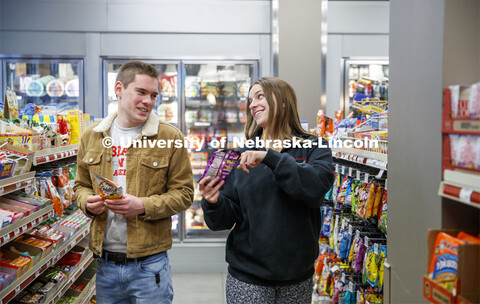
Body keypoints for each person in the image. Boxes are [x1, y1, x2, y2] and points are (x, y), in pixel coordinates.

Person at [199, 77, 334, 304]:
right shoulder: (241, 156)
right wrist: (213, 202)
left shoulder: (314, 147)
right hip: (247, 277)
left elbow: (315, 187)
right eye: (250, 100)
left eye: (260, 96)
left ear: (282, 101)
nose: (252, 105)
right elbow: (225, 219)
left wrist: (270, 157)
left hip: (297, 277)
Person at [74, 61, 194, 304]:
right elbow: (80, 185)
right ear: (119, 89)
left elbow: (184, 193)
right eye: (141, 92)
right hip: (105, 263)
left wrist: (143, 205)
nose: (148, 101)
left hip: (149, 266)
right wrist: (87, 202)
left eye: (153, 95)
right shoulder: (92, 135)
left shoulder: (170, 137)